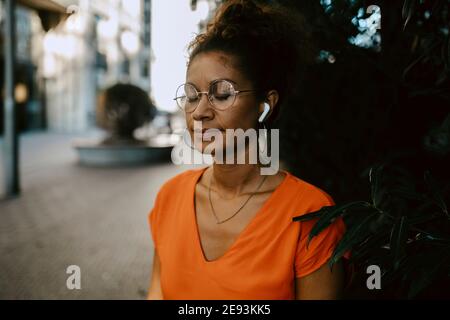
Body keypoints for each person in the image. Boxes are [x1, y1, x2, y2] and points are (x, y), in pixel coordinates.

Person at [147, 0, 350, 300]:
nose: (200, 111)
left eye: (222, 94)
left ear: (264, 105)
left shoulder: (310, 214)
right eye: (192, 96)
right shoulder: (169, 197)